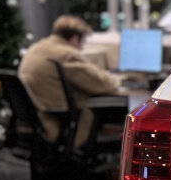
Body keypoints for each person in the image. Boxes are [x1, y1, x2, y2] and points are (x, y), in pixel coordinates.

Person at [17, 14, 125, 146]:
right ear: (75, 38)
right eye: (83, 41)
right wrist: (120, 80)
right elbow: (101, 83)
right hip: (62, 124)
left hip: (41, 119)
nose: (82, 48)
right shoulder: (66, 55)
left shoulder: (37, 48)